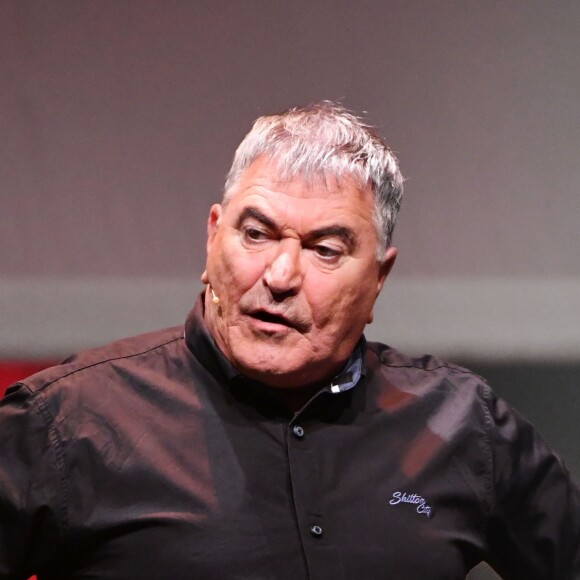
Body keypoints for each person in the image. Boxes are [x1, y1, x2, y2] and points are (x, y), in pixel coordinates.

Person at [0, 102, 578, 580]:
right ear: (211, 238)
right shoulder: (68, 421)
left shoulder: (460, 424)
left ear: (379, 278)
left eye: (325, 250)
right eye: (255, 234)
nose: (279, 276)